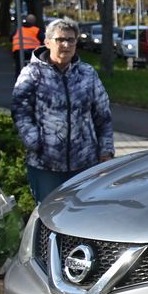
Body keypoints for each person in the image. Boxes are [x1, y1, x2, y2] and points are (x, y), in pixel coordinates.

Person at [12, 18, 114, 203]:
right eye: (60, 40)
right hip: (45, 165)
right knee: (49, 215)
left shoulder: (87, 73)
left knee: (82, 212)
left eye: (71, 40)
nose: (66, 45)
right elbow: (20, 112)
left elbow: (103, 114)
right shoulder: (32, 73)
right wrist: (36, 143)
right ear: (48, 42)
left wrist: (105, 152)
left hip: (84, 162)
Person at [11, 14, 43, 79]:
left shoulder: (18, 28)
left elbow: (11, 37)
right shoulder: (36, 30)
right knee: (35, 66)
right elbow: (43, 39)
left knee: (19, 66)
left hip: (18, 50)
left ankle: (18, 80)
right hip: (32, 51)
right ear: (34, 21)